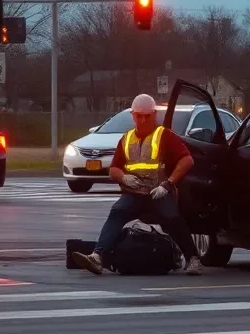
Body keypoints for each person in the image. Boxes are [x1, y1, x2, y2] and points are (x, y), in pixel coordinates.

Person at [72, 93, 203, 276]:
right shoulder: (126, 139)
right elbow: (114, 169)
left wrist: (167, 184)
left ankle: (193, 258)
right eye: (138, 116)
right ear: (133, 115)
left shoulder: (165, 135)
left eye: (147, 116)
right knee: (117, 211)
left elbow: (187, 160)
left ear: (154, 115)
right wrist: (124, 178)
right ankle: (97, 257)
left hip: (159, 192)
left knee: (171, 217)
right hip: (134, 193)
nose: (142, 120)